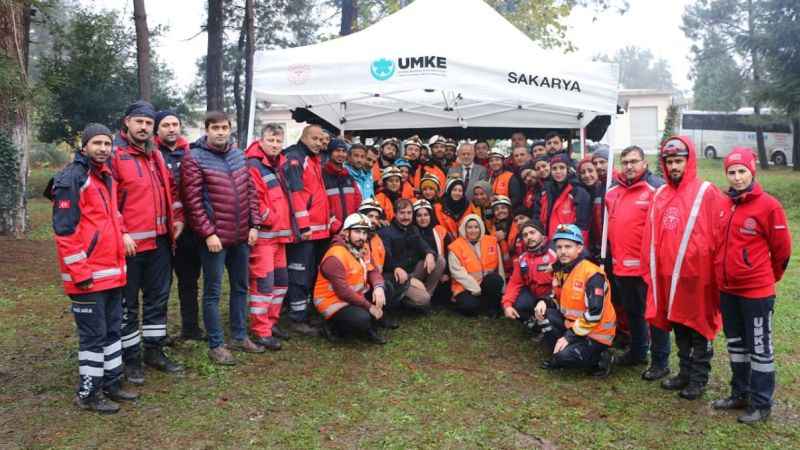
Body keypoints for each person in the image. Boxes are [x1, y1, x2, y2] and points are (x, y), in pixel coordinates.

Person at [52, 124, 137, 413]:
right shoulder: (72, 178)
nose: (103, 148)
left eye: (107, 143)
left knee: (113, 330)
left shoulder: (105, 175)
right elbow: (65, 232)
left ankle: (112, 382)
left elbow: (112, 216)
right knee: (93, 336)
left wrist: (123, 232)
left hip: (112, 272)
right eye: (97, 143)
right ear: (84, 145)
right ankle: (88, 393)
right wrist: (80, 273)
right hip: (87, 277)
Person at [711, 148, 792, 424]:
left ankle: (761, 403)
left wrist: (766, 278)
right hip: (728, 290)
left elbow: (782, 251)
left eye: (741, 171)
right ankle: (740, 393)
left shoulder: (769, 206)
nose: (736, 177)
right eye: (731, 172)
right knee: (736, 345)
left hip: (756, 292)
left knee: (759, 348)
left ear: (752, 172)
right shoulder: (724, 204)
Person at [642, 136, 723, 400]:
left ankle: (699, 379)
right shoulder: (661, 195)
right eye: (670, 162)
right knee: (679, 325)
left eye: (679, 161)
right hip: (669, 276)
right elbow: (651, 236)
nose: (674, 166)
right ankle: (684, 373)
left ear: (689, 162)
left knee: (698, 327)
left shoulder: (706, 192)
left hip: (698, 278)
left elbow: (719, 235)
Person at [182, 111, 265, 364]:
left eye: (224, 127)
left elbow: (251, 193)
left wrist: (254, 225)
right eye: (215, 127)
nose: (220, 131)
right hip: (215, 239)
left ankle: (239, 336)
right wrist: (208, 233)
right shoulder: (194, 158)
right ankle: (216, 343)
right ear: (207, 129)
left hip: (241, 236)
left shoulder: (239, 156)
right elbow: (192, 202)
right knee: (213, 292)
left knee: (240, 287)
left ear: (230, 129)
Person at [110, 100, 183, 384]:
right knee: (128, 305)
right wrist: (122, 231)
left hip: (161, 243)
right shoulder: (115, 155)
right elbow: (107, 201)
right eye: (138, 122)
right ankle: (131, 359)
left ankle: (155, 351)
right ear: (126, 122)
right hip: (128, 246)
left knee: (158, 299)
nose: (143, 127)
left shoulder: (157, 156)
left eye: (148, 123)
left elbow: (171, 190)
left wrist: (177, 217)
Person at [605, 145, 669, 380]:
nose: (629, 166)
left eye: (634, 161)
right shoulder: (612, 192)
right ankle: (638, 352)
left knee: (654, 314)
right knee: (633, 312)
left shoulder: (657, 189)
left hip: (647, 267)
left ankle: (660, 361)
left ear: (645, 163)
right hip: (621, 265)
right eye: (625, 162)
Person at [244, 123, 299, 350]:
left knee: (281, 283)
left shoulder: (278, 164)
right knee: (263, 285)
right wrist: (270, 218)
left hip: (280, 237)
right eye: (271, 140)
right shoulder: (254, 165)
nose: (275, 145)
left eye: (278, 141)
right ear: (261, 140)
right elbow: (254, 200)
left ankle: (271, 322)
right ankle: (260, 330)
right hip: (265, 236)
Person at [536, 224, 616, 376]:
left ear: (579, 248)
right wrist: (543, 301)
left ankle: (601, 358)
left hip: (596, 333)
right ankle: (560, 351)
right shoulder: (562, 270)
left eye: (568, 246)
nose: (563, 251)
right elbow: (557, 298)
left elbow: (594, 315)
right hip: (575, 326)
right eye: (559, 247)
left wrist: (568, 336)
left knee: (564, 358)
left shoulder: (592, 275)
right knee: (544, 313)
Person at [154, 110, 205, 342]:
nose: (172, 128)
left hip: (189, 230)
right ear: (157, 129)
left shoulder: (191, 153)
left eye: (175, 124)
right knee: (160, 284)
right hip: (162, 229)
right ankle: (158, 333)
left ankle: (191, 328)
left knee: (189, 280)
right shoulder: (151, 154)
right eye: (166, 125)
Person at [282, 124, 331, 336]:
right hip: (305, 232)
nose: (319, 144)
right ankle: (296, 318)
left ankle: (305, 313)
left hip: (319, 231)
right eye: (316, 139)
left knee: (310, 273)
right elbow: (297, 195)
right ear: (305, 137)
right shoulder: (296, 158)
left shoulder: (314, 159)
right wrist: (304, 227)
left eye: (322, 141)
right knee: (299, 274)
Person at [314, 213, 392, 344]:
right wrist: (369, 307)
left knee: (386, 288)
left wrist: (378, 288)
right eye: (357, 232)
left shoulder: (361, 248)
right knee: (362, 319)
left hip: (354, 296)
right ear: (346, 232)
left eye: (364, 233)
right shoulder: (336, 255)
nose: (361, 237)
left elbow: (373, 271)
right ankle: (332, 326)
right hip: (334, 302)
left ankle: (369, 324)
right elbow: (343, 292)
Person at [379, 199, 445, 310]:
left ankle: (427, 296)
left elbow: (424, 246)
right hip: (397, 276)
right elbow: (385, 258)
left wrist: (429, 253)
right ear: (395, 213)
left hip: (413, 272)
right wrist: (396, 268)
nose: (406, 216)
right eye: (402, 213)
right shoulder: (386, 232)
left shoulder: (413, 229)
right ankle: (405, 301)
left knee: (439, 260)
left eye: (409, 213)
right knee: (423, 299)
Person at [447, 214, 505, 316]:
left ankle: (492, 308)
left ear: (481, 228)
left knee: (495, 280)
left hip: (486, 284)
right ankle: (479, 305)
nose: (473, 230)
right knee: (469, 307)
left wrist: (504, 290)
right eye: (469, 227)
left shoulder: (491, 241)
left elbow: (500, 268)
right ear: (464, 228)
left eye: (476, 227)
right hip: (465, 287)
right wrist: (475, 288)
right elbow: (457, 273)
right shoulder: (456, 247)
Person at [502, 222, 555, 328]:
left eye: (532, 232)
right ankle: (534, 325)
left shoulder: (554, 254)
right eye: (525, 235)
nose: (529, 237)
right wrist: (507, 305)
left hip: (552, 298)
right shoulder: (522, 259)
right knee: (519, 303)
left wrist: (547, 300)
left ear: (542, 235)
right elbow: (514, 283)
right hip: (533, 294)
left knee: (550, 317)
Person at [533, 153, 591, 242]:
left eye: (562, 167)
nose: (558, 171)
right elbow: (537, 216)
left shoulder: (578, 192)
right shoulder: (545, 191)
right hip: (546, 241)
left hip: (569, 242)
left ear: (568, 169)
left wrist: (578, 245)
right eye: (554, 168)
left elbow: (583, 224)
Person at [413, 199, 452, 305]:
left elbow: (449, 254)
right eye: (419, 215)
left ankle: (427, 296)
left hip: (437, 272)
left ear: (431, 216)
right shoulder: (411, 231)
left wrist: (446, 273)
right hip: (417, 271)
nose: (423, 218)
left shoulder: (440, 230)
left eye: (426, 215)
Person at [323, 138, 362, 235]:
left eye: (344, 151)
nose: (341, 154)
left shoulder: (348, 177)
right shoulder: (322, 175)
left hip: (349, 230)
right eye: (337, 150)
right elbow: (321, 206)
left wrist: (354, 224)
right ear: (330, 153)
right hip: (330, 231)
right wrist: (337, 227)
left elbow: (358, 201)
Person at [577, 157, 603, 258]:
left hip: (603, 245)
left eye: (590, 170)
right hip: (587, 245)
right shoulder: (579, 193)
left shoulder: (605, 190)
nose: (587, 175)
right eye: (583, 172)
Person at [488, 195, 516, 275]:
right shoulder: (494, 229)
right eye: (496, 209)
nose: (500, 211)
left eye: (503, 208)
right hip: (503, 271)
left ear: (509, 209)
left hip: (517, 268)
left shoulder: (516, 225)